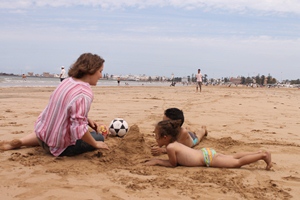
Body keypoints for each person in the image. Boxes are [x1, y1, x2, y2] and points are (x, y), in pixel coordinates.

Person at [0, 53, 109, 156]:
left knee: (55, 128)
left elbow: (66, 109)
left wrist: (86, 119)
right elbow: (78, 129)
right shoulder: (84, 93)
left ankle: (22, 141)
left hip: (42, 137)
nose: (100, 75)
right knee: (98, 137)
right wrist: (95, 144)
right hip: (59, 147)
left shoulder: (67, 82)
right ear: (91, 70)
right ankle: (61, 145)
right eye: (100, 71)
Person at [145, 120, 273, 170]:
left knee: (237, 163)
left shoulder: (170, 147)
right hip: (206, 153)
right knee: (233, 157)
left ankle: (262, 155)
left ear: (165, 137)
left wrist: (157, 161)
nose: (155, 139)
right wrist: (162, 152)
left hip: (207, 159)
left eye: (156, 136)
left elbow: (173, 164)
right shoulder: (174, 144)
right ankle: (258, 153)